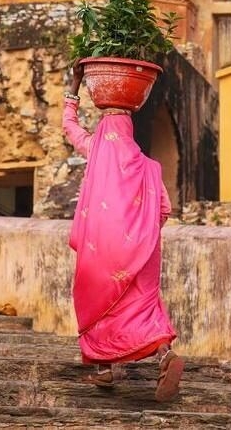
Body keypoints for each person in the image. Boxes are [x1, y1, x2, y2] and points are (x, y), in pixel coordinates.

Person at [63, 61, 185, 402]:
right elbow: (163, 209)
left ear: (104, 133)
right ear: (130, 132)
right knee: (143, 307)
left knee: (99, 303)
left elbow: (69, 126)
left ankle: (103, 367)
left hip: (101, 251)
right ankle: (165, 356)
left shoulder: (94, 151)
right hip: (141, 250)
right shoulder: (149, 166)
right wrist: (140, 234)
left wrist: (74, 85)